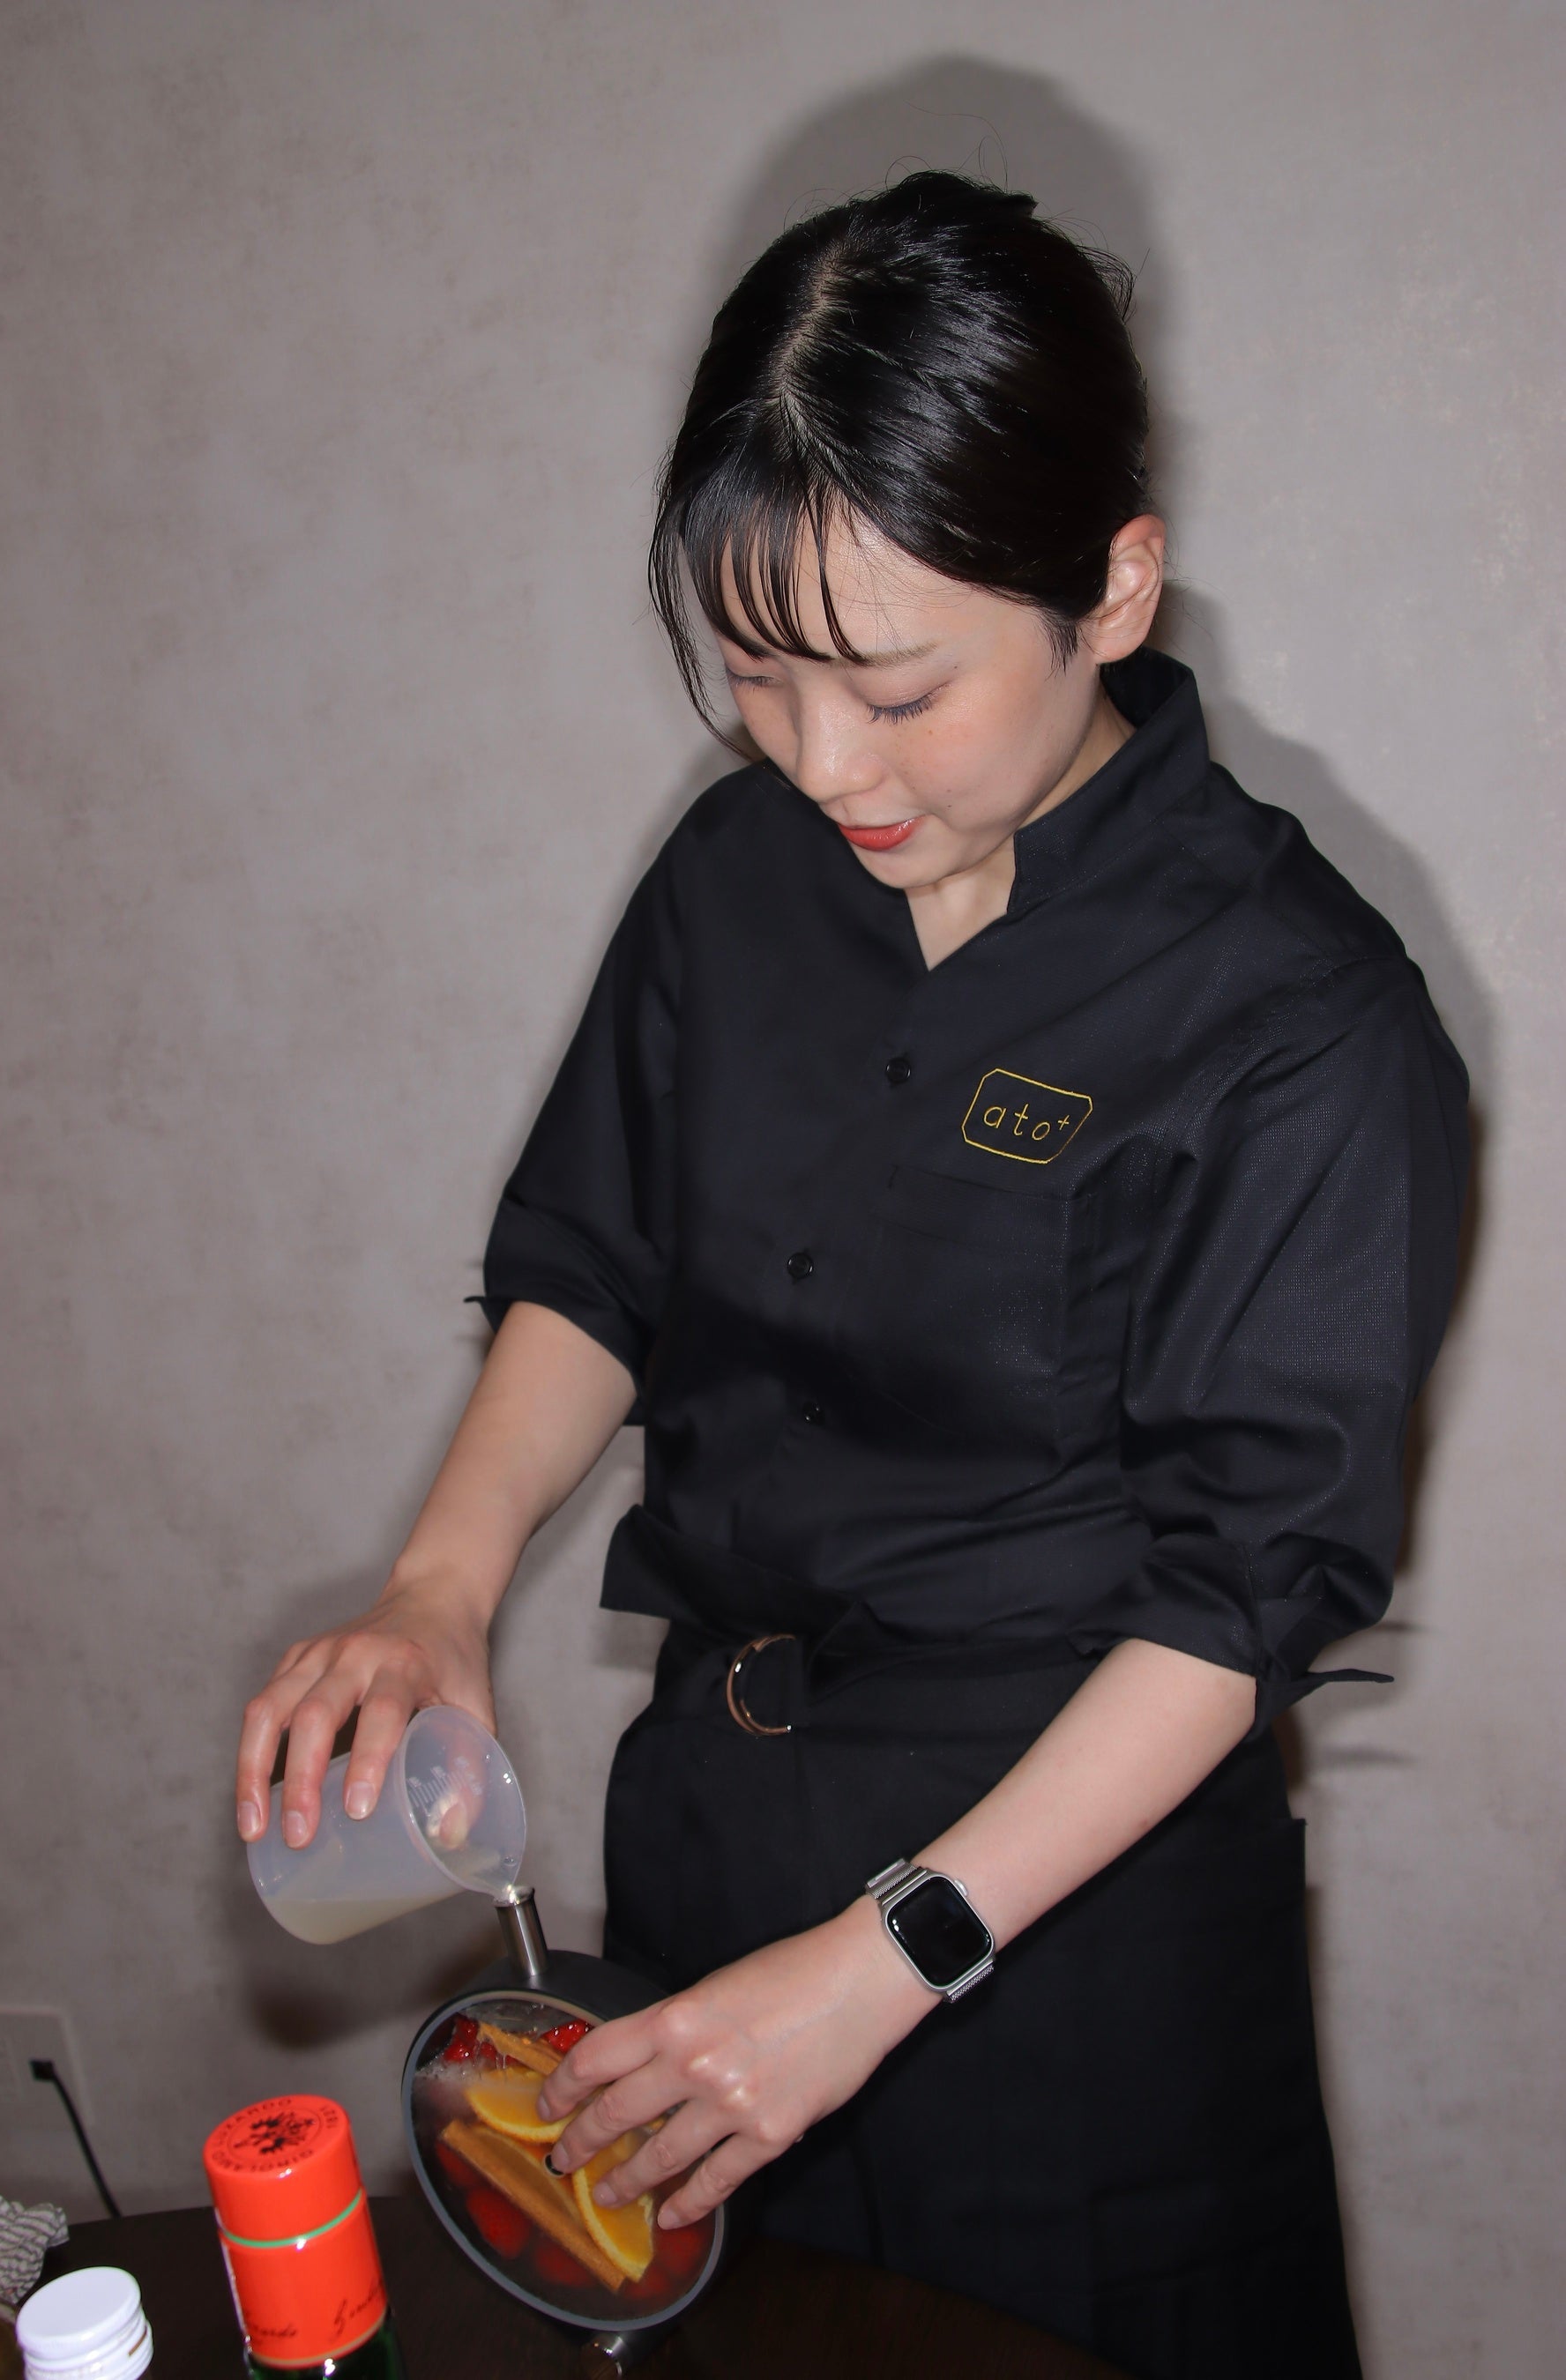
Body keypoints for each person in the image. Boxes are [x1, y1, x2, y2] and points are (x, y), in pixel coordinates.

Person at [235, 174, 1467, 2379]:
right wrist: (437, 1587)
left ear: (1113, 589)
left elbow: (1243, 1592)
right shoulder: (740, 875)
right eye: (757, 676)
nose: (821, 764)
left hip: (1062, 1939)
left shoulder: (1298, 1015)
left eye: (896, 690)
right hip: (712, 1861)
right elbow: (597, 1258)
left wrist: (888, 1957)